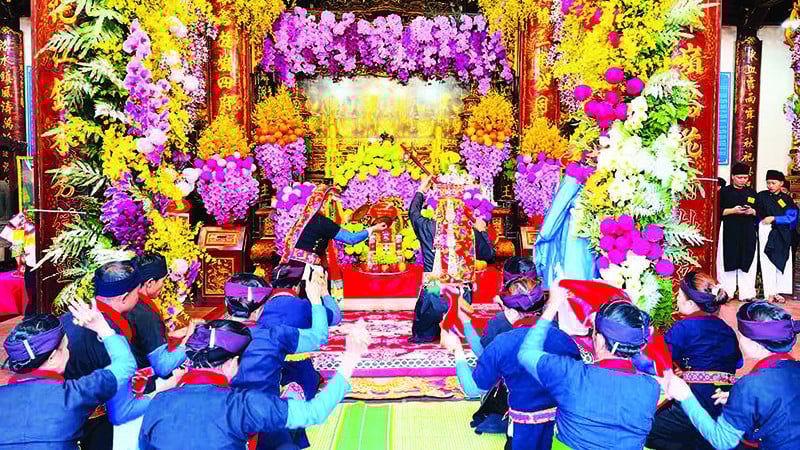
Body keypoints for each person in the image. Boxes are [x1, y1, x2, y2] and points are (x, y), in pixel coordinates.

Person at [137, 318, 372, 449]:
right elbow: (315, 412)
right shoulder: (243, 404)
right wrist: (351, 358)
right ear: (232, 364)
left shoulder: (158, 402)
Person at [518, 281, 661, 450]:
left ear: (599, 340)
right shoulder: (652, 387)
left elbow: (527, 353)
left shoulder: (570, 374)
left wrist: (552, 307)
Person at [443, 277, 582, 450]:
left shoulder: (503, 343)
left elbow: (472, 389)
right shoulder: (564, 340)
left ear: (510, 311)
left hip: (523, 430)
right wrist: (466, 322)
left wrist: (457, 350)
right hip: (564, 430)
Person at [661, 301, 800, 449]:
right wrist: (741, 397)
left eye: (740, 335)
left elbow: (722, 441)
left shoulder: (750, 385)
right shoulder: (793, 367)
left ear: (752, 343)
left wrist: (685, 396)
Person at [0, 301, 136, 449]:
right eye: (66, 347)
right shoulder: (75, 394)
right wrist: (102, 328)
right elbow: (125, 365)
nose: (69, 351)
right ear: (52, 357)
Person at [225, 271, 329, 450]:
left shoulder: (208, 336)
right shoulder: (274, 336)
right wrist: (315, 300)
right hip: (266, 420)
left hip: (225, 420)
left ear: (226, 304)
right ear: (259, 309)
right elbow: (319, 337)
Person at [646, 272, 743, 450]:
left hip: (697, 400)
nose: (676, 298)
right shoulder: (727, 330)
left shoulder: (683, 327)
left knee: (643, 429)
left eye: (679, 294)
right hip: (723, 403)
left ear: (690, 304)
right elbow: (737, 364)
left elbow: (659, 363)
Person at [407, 175, 496, 343]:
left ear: (439, 207)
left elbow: (413, 213)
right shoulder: (470, 231)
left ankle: (427, 333)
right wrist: (482, 231)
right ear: (460, 208)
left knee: (426, 320)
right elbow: (489, 256)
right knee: (460, 317)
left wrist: (421, 190)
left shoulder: (428, 226)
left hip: (434, 287)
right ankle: (456, 330)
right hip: (461, 292)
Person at [127, 254, 188, 395]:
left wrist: (173, 335)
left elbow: (141, 339)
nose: (164, 285)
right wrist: (189, 340)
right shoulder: (145, 313)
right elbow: (163, 367)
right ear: (149, 283)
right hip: (142, 389)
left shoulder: (127, 302)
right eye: (163, 280)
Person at [535, 174, 596, 288]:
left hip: (575, 237)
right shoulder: (602, 177)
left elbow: (555, 214)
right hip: (591, 237)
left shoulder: (574, 177)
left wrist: (542, 238)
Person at [717, 163, 759, 301]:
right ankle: (727, 292)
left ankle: (747, 293)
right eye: (739, 177)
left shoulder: (752, 193)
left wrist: (752, 211)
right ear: (733, 177)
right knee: (727, 259)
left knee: (747, 258)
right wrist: (733, 211)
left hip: (747, 230)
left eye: (745, 178)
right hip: (729, 229)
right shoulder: (724, 192)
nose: (742, 180)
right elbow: (716, 211)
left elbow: (759, 211)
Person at [757, 170, 798, 304]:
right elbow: (756, 213)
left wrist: (775, 218)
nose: (770, 185)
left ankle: (779, 292)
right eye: (768, 183)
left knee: (783, 259)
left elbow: (792, 217)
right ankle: (769, 292)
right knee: (767, 259)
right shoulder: (761, 196)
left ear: (781, 183)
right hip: (766, 230)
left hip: (782, 232)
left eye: (773, 183)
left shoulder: (786, 199)